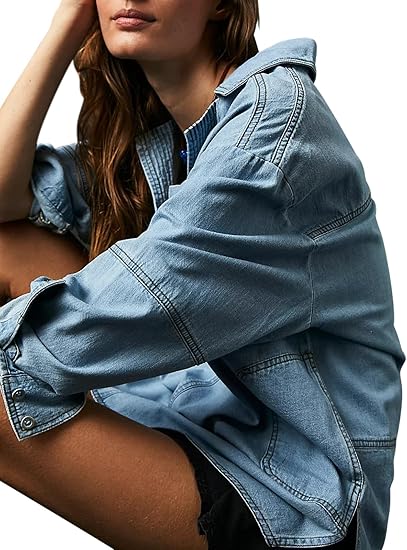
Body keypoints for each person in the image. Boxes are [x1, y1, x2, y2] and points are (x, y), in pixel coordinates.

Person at [0, 1, 404, 549]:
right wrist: (63, 29)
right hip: (195, 413)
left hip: (294, 500)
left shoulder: (272, 131)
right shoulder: (163, 137)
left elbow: (149, 296)